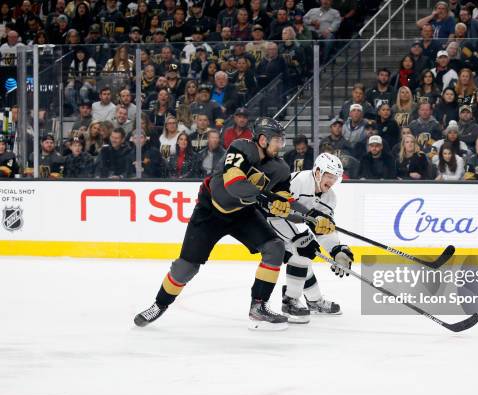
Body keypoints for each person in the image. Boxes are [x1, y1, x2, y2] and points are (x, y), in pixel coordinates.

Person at [134, 117, 336, 331]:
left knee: (274, 247)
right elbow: (233, 185)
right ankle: (159, 304)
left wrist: (312, 217)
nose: (281, 145)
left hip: (243, 213)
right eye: (277, 140)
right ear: (262, 140)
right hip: (210, 211)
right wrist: (266, 199)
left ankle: (259, 306)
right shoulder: (241, 148)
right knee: (186, 268)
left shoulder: (281, 168)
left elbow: (287, 203)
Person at [268, 153, 352, 322]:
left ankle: (314, 301)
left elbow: (323, 229)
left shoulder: (330, 198)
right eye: (329, 176)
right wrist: (298, 238)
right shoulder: (299, 182)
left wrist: (336, 250)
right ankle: (290, 301)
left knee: (304, 252)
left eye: (335, 177)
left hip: (288, 222)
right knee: (303, 249)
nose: (332, 181)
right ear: (318, 172)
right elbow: (274, 207)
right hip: (271, 217)